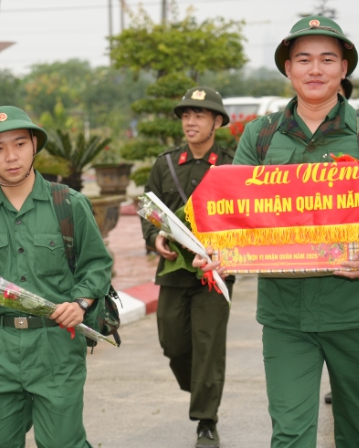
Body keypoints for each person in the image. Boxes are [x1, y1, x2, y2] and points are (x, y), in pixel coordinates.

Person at [195, 16, 359, 447]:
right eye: (303, 59)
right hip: (285, 315)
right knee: (290, 434)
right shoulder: (260, 137)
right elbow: (233, 212)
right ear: (288, 68)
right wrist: (216, 250)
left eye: (327, 59)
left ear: (344, 68)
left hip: (355, 309)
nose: (315, 69)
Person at [0, 106, 112, 448]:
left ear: (34, 144)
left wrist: (81, 303)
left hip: (57, 345)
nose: (11, 156)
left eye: (19, 143)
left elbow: (97, 264)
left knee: (63, 443)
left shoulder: (69, 204)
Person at [140, 86, 234, 448]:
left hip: (214, 270)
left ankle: (206, 421)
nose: (190, 121)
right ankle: (199, 385)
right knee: (173, 342)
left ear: (217, 121)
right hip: (174, 268)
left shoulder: (230, 163)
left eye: (199, 115)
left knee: (208, 344)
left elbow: (243, 215)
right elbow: (149, 210)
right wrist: (155, 238)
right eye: (185, 115)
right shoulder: (164, 164)